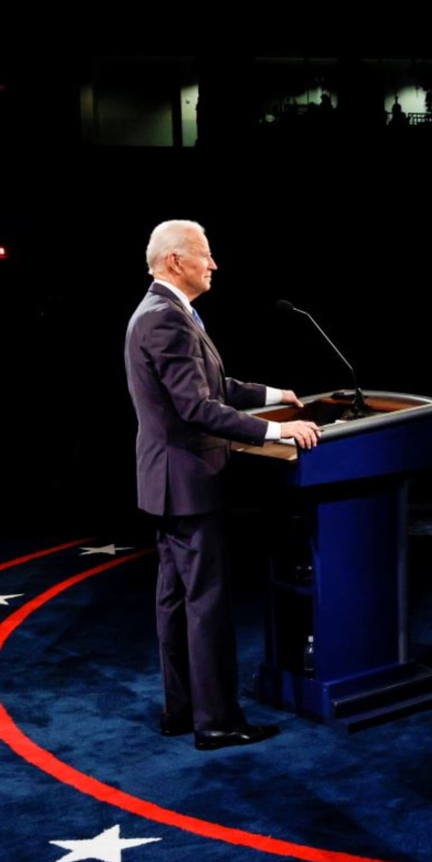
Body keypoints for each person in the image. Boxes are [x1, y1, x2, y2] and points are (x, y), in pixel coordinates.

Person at [124, 220, 319, 751]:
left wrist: (274, 393)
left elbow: (211, 386)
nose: (213, 265)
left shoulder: (161, 312)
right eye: (204, 256)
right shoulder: (166, 319)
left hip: (167, 483)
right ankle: (217, 722)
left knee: (175, 600)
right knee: (205, 603)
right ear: (174, 262)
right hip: (187, 482)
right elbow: (197, 407)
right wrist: (278, 429)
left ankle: (182, 710)